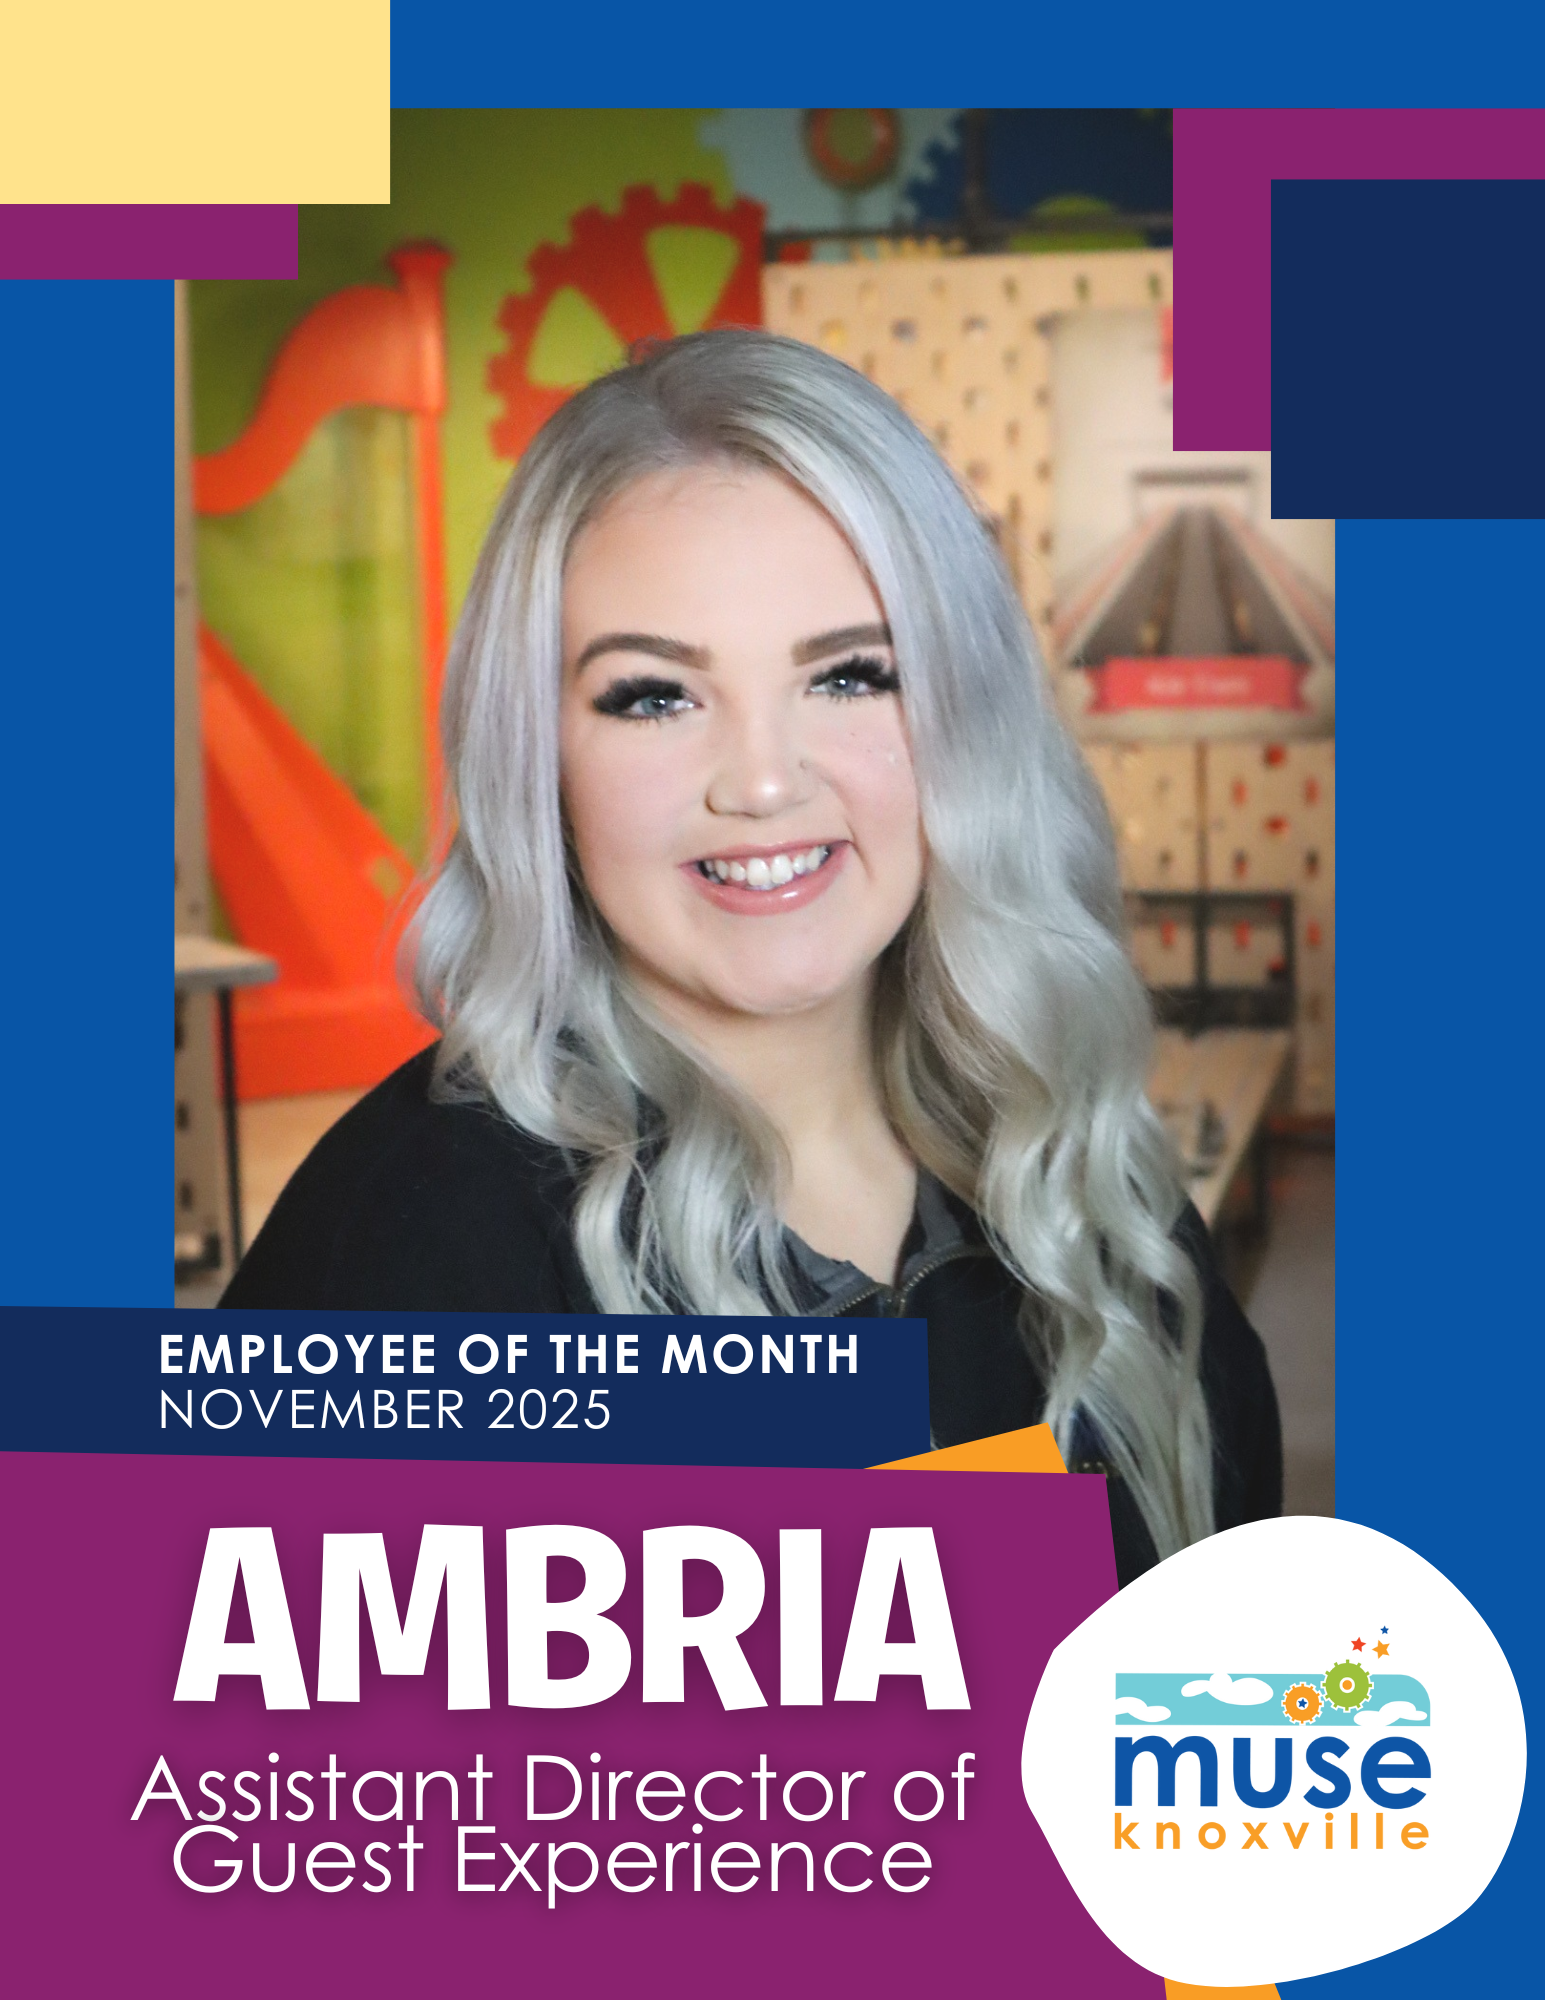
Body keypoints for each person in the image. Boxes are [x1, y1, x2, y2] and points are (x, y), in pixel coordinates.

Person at [221, 327, 1281, 1584]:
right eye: (655, 695)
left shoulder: (1073, 1163)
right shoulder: (406, 1243)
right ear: (538, 760)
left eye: (850, 674)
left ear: (962, 715)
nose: (767, 781)